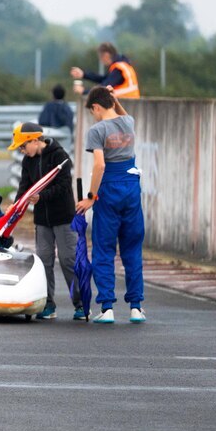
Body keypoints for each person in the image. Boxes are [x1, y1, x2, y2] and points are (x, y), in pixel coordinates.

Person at [75, 87, 145, 324]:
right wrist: (113, 98)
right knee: (132, 248)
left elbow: (99, 166)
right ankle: (136, 307)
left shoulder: (97, 130)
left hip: (110, 187)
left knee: (104, 248)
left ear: (96, 106)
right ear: (112, 102)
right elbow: (121, 113)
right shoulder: (128, 122)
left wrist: (90, 197)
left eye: (92, 111)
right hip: (131, 186)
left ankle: (107, 308)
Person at [8, 122, 84, 320]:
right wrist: (15, 207)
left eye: (23, 146)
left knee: (68, 259)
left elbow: (64, 185)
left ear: (35, 140)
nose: (22, 151)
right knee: (44, 261)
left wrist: (42, 197)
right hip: (42, 219)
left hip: (64, 216)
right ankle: (47, 304)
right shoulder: (28, 161)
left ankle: (81, 303)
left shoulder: (60, 156)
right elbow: (24, 187)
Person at [70, 42, 141, 98]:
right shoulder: (122, 65)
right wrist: (83, 74)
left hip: (126, 104)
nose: (101, 60)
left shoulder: (118, 69)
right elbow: (104, 79)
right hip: (129, 102)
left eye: (100, 57)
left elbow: (104, 88)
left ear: (106, 55)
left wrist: (84, 91)